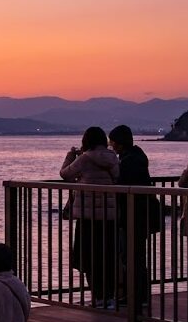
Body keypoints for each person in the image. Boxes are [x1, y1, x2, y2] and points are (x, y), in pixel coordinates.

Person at [61, 126, 120, 307]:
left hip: (88, 217)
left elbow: (65, 174)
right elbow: (117, 178)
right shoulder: (112, 158)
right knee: (107, 255)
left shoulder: (85, 158)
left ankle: (98, 297)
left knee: (89, 257)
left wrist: (71, 156)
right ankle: (109, 297)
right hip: (109, 216)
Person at [108, 125, 156, 307]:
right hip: (139, 213)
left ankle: (137, 297)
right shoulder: (136, 157)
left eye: (113, 141)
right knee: (135, 256)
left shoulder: (129, 161)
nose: (111, 145)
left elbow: (122, 184)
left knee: (132, 256)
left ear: (120, 142)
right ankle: (137, 295)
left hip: (133, 214)